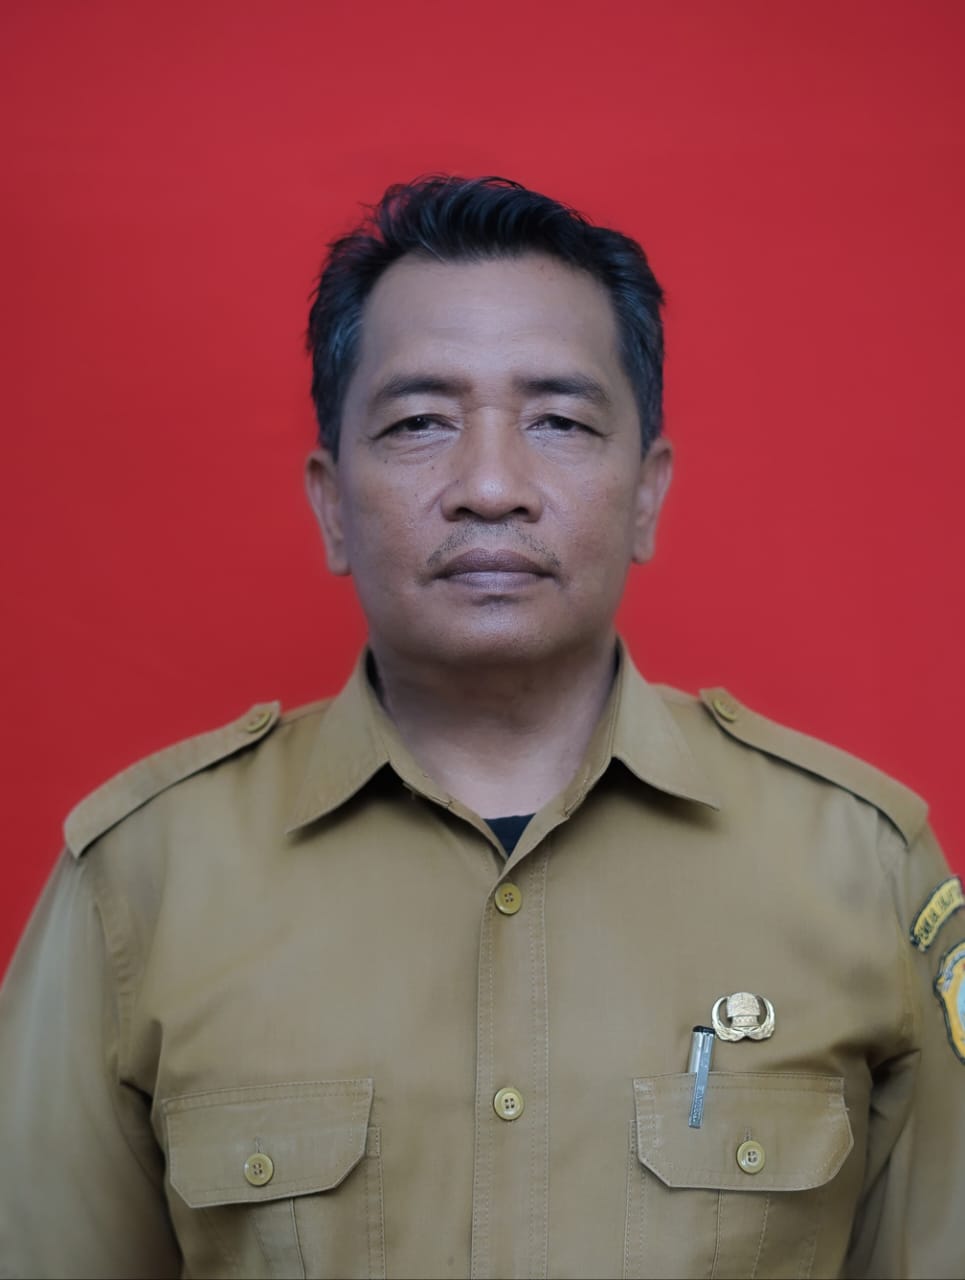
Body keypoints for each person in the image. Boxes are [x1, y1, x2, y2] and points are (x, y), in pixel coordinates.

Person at [0, 175, 962, 1280]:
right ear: (330, 501)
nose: (492, 485)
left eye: (558, 421)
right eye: (420, 423)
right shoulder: (140, 881)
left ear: (646, 493)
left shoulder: (861, 867)